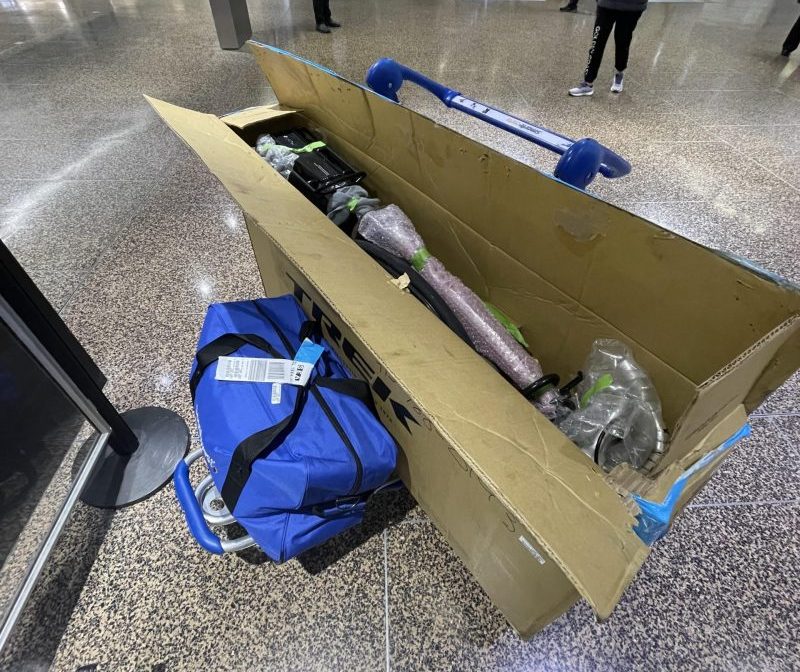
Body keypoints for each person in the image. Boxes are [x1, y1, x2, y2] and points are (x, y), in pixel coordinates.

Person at [568, 0, 648, 97]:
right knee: (597, 42)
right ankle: (587, 83)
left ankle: (619, 72)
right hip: (606, 4)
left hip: (632, 6)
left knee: (622, 42)